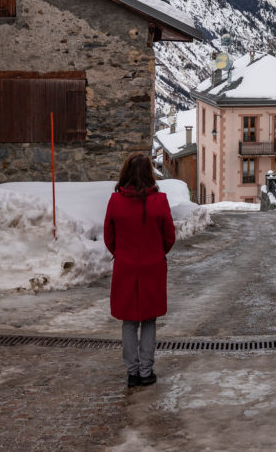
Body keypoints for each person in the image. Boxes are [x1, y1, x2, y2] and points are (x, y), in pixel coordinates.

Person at [104, 152, 175, 388]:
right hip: (152, 267)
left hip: (125, 268)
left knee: (129, 322)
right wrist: (156, 252)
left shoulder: (115, 201)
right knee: (149, 320)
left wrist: (122, 253)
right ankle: (146, 371)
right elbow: (169, 237)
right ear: (149, 173)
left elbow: (109, 237)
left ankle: (132, 372)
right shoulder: (160, 201)